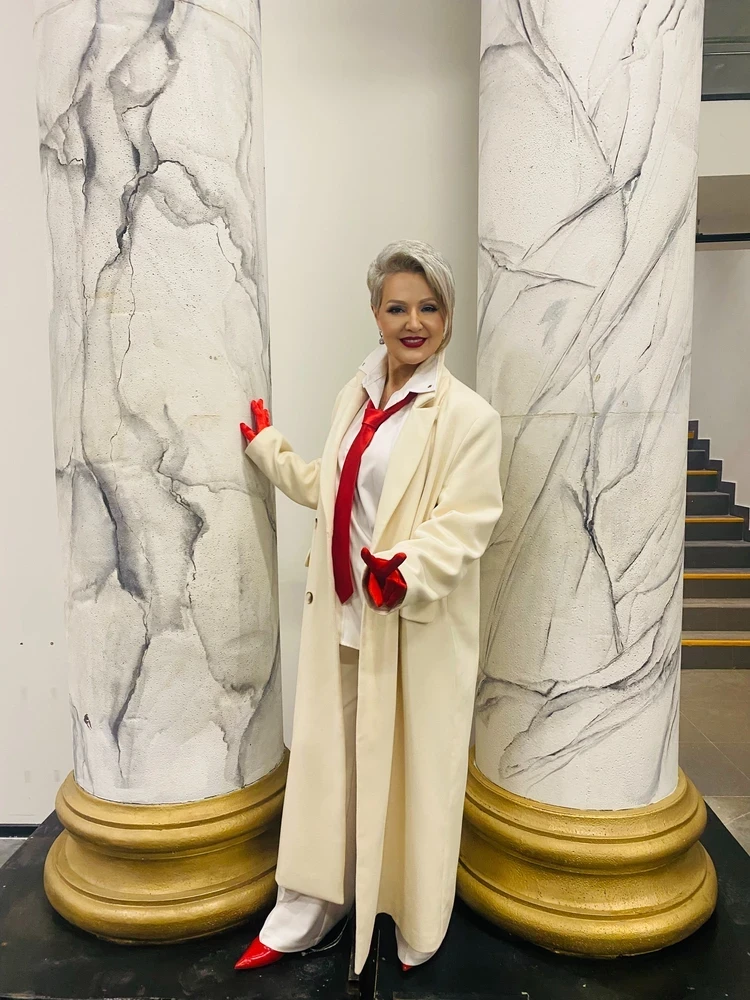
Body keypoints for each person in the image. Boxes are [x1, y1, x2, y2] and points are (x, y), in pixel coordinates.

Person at [235, 240, 503, 975]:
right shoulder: (356, 396)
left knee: (413, 779)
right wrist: (269, 451)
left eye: (429, 307)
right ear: (376, 313)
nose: (413, 323)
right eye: (397, 307)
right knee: (329, 768)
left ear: (448, 316)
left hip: (409, 625)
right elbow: (337, 485)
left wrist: (405, 571)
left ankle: (411, 915)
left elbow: (468, 520)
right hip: (342, 621)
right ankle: (310, 908)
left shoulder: (468, 417)